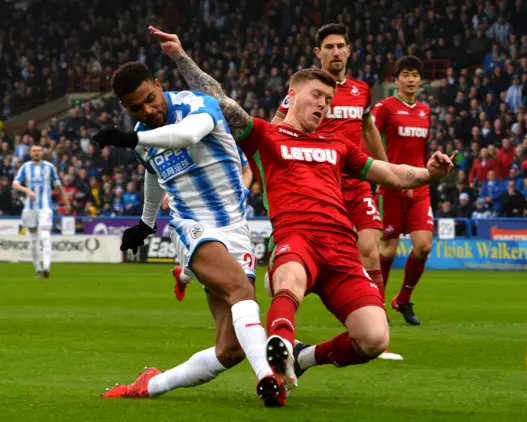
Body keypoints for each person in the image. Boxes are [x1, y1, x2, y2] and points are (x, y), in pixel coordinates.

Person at [149, 27, 454, 397]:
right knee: (289, 276)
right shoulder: (265, 136)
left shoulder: (339, 144)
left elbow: (390, 172)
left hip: (341, 248)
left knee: (374, 338)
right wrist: (181, 57)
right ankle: (276, 354)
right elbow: (219, 100)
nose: (324, 104)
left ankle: (301, 358)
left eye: (328, 98)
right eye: (317, 96)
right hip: (297, 240)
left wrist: (429, 173)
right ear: (292, 96)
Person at [93, 61, 286, 407]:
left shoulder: (196, 104)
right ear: (125, 107)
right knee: (241, 289)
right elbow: (154, 176)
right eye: (137, 108)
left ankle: (151, 385)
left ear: (158, 83)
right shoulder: (142, 137)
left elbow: (187, 135)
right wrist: (146, 223)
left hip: (233, 226)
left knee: (230, 351)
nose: (148, 110)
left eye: (151, 98)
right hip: (190, 225)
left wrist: (131, 137)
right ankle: (267, 377)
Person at [271, 23, 389, 313]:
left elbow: (368, 128)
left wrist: (386, 169)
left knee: (370, 250)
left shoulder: (361, 90)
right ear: (318, 53)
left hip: (356, 180)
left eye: (340, 47)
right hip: (319, 182)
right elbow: (275, 128)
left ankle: (377, 315)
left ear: (349, 51)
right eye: (329, 47)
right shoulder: (306, 88)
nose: (335, 52)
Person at [373, 56, 433, 326]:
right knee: (387, 250)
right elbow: (369, 137)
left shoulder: (425, 111)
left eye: (415, 75)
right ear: (396, 80)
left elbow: (424, 150)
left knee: (423, 247)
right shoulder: (385, 108)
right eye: (406, 75)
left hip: (419, 188)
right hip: (392, 187)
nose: (411, 80)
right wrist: (384, 174)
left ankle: (403, 299)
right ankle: (376, 305)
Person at [171, 145, 253, 301]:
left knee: (240, 272)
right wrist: (170, 195)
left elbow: (247, 170)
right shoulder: (187, 143)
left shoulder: (230, 145)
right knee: (205, 265)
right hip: (202, 215)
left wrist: (242, 190)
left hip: (232, 214)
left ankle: (182, 276)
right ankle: (184, 276)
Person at [12, 144, 71, 278]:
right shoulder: (25, 167)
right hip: (29, 209)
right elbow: (15, 183)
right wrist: (27, 191)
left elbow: (59, 185)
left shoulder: (49, 167)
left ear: (42, 153)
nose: (37, 153)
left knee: (45, 237)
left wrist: (66, 202)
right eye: (34, 151)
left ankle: (46, 268)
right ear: (30, 153)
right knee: (33, 242)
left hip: (45, 208)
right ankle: (38, 269)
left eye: (39, 151)